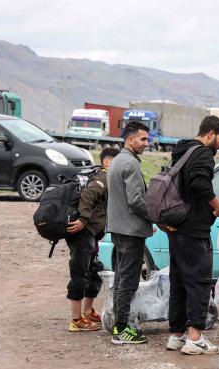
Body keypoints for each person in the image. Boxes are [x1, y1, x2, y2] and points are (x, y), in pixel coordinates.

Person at [165, 116, 219, 355]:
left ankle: (176, 335)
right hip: (194, 228)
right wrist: (218, 205)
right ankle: (195, 338)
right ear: (210, 134)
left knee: (179, 282)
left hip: (177, 227)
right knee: (199, 283)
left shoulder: (181, 151)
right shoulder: (202, 153)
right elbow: (200, 184)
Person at [107, 121, 153, 344]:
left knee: (120, 277)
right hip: (131, 231)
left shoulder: (117, 160)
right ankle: (121, 329)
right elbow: (136, 200)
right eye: (143, 139)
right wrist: (154, 215)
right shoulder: (130, 163)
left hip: (118, 228)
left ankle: (119, 325)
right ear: (130, 139)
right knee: (128, 280)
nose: (147, 143)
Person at [66, 148, 119, 332]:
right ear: (107, 162)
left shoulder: (108, 178)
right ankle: (75, 319)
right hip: (83, 232)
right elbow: (88, 195)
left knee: (95, 271)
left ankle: (87, 311)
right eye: (116, 161)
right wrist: (83, 219)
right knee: (79, 273)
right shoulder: (103, 177)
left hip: (92, 234)